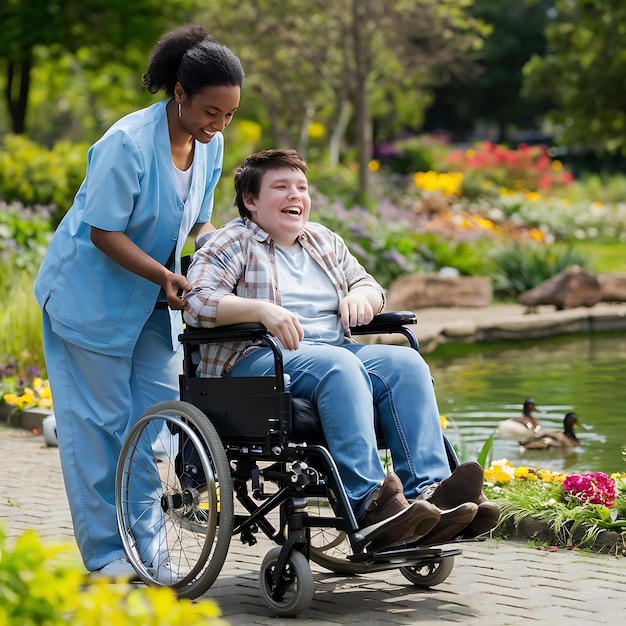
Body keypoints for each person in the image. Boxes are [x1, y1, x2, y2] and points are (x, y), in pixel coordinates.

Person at [183, 149, 500, 552]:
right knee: (339, 366)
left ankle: (430, 497)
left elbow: (370, 284)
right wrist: (261, 310)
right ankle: (370, 505)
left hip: (330, 352)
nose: (294, 195)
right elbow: (196, 302)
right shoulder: (233, 241)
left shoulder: (323, 241)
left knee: (405, 362)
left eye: (301, 187)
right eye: (280, 187)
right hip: (254, 361)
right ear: (251, 200)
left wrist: (362, 296)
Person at [34, 23, 244, 580]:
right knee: (99, 426)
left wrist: (213, 251)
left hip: (150, 304)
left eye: (228, 115)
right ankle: (106, 554)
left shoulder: (210, 145)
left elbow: (196, 217)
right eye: (210, 112)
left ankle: (144, 548)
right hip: (90, 300)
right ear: (179, 93)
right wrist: (163, 276)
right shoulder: (126, 143)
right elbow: (104, 231)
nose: (218, 125)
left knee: (152, 423)